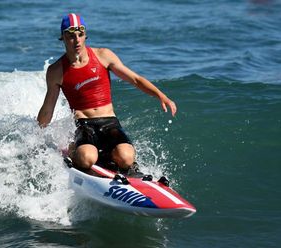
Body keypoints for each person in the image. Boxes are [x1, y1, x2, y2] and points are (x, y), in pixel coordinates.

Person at [37, 13, 177, 175]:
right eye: (71, 36)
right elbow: (48, 108)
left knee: (126, 158)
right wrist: (37, 136)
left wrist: (161, 95)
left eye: (80, 35)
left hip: (109, 122)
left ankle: (113, 159)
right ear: (63, 37)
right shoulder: (56, 70)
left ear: (85, 35)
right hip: (84, 124)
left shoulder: (103, 55)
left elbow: (135, 79)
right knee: (86, 158)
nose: (77, 40)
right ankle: (73, 150)